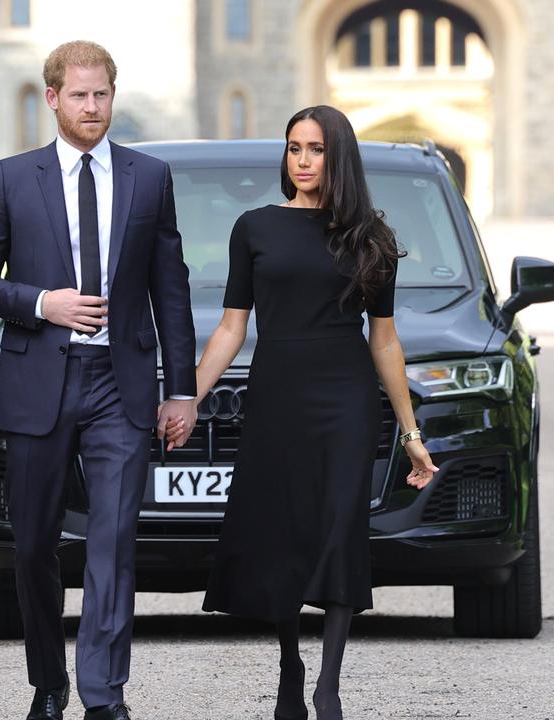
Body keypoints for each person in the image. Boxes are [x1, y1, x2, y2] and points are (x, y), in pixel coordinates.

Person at [0, 41, 196, 720]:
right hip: (39, 381)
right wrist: (40, 304)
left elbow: (169, 289)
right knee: (32, 545)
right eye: (80, 96)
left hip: (119, 385)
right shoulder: (11, 178)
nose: (93, 107)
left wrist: (180, 388)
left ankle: (103, 694)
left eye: (103, 95)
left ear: (112, 97)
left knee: (114, 541)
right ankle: (49, 681)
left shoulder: (149, 177)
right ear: (53, 99)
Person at [189, 105, 438, 720]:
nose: (302, 161)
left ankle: (328, 684)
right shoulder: (254, 227)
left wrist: (411, 433)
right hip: (277, 394)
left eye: (316, 150)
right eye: (294, 148)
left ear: (339, 157)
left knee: (338, 528)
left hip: (346, 399)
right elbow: (229, 327)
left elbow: (384, 340)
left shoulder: (371, 238)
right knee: (282, 531)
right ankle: (289, 664)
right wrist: (188, 396)